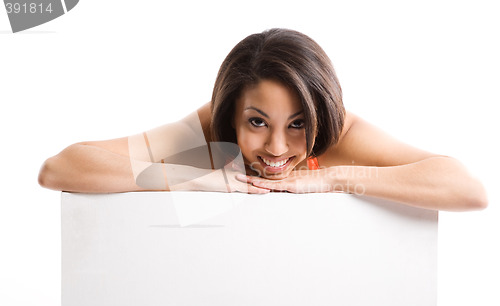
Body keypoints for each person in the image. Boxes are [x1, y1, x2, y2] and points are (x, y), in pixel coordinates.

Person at [38, 28, 487, 211]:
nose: (276, 148)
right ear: (231, 114)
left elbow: (467, 189)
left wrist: (333, 178)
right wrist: (197, 178)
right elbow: (61, 167)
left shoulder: (342, 133)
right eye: (256, 122)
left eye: (297, 124)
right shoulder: (210, 125)